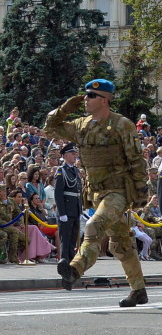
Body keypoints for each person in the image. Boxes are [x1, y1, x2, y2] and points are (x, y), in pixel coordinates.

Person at [45, 79, 151, 307]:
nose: (86, 99)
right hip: (96, 193)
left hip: (119, 191)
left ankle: (75, 269)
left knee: (93, 226)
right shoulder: (81, 125)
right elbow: (50, 128)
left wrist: (141, 190)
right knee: (121, 243)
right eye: (85, 95)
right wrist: (64, 109)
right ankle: (138, 290)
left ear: (105, 99)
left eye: (91, 96)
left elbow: (136, 159)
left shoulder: (122, 124)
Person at [52, 145, 82, 266]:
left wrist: (80, 210)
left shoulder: (75, 170)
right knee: (65, 237)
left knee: (73, 239)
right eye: (72, 154)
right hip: (66, 210)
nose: (75, 156)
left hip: (75, 209)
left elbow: (78, 192)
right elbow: (58, 194)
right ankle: (64, 263)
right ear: (65, 156)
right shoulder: (61, 171)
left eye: (75, 153)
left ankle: (72, 263)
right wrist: (62, 213)